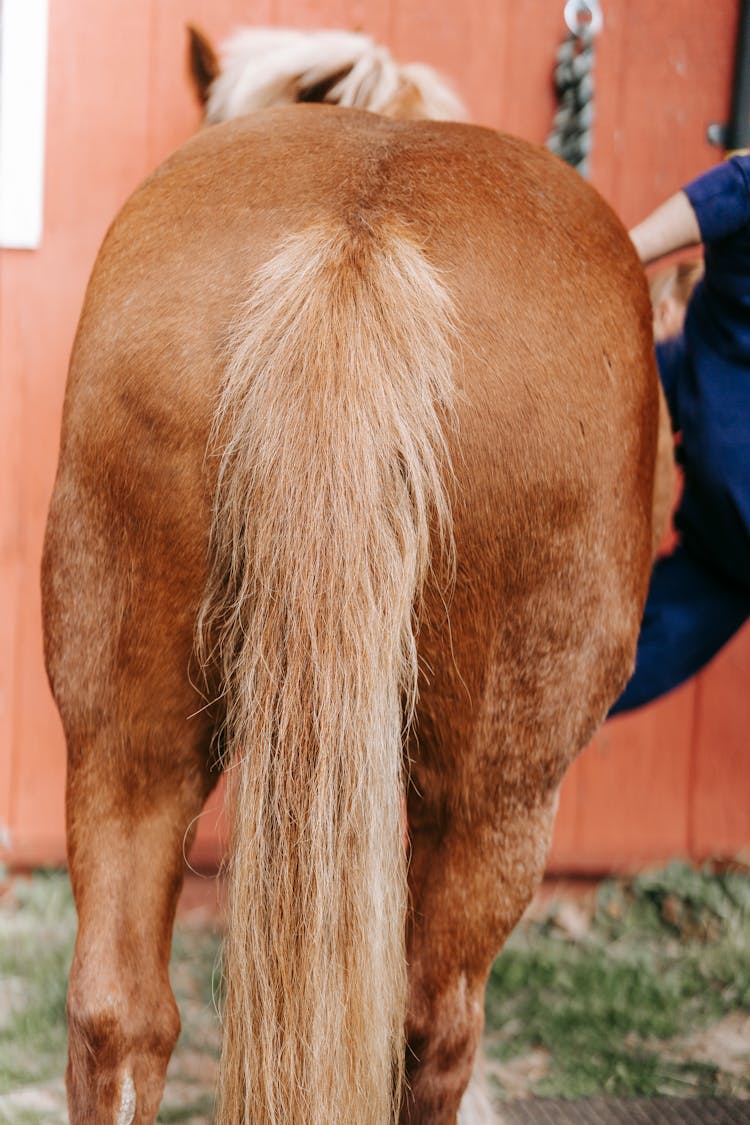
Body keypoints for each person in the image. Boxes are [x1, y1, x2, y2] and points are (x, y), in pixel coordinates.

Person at [611, 154, 750, 714]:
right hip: (719, 556)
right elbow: (741, 183)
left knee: (605, 681)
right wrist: (623, 250)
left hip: (727, 569)